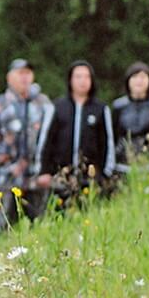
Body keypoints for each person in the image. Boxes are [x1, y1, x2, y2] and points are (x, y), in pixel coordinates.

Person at [0, 58, 52, 234]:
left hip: (36, 174)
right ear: (9, 77)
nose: (24, 77)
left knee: (38, 224)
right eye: (20, 73)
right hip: (8, 174)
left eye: (27, 73)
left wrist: (48, 167)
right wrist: (0, 156)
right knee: (1, 222)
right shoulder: (1, 103)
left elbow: (53, 137)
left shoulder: (43, 103)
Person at [35, 60, 116, 204]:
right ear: (70, 80)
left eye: (86, 77)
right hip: (60, 177)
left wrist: (105, 174)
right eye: (78, 77)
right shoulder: (56, 107)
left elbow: (107, 143)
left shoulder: (101, 109)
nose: (82, 81)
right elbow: (45, 140)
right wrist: (43, 171)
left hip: (91, 179)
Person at [112, 61, 149, 168]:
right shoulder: (118, 106)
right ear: (128, 80)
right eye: (135, 77)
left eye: (143, 77)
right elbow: (113, 136)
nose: (139, 81)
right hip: (123, 160)